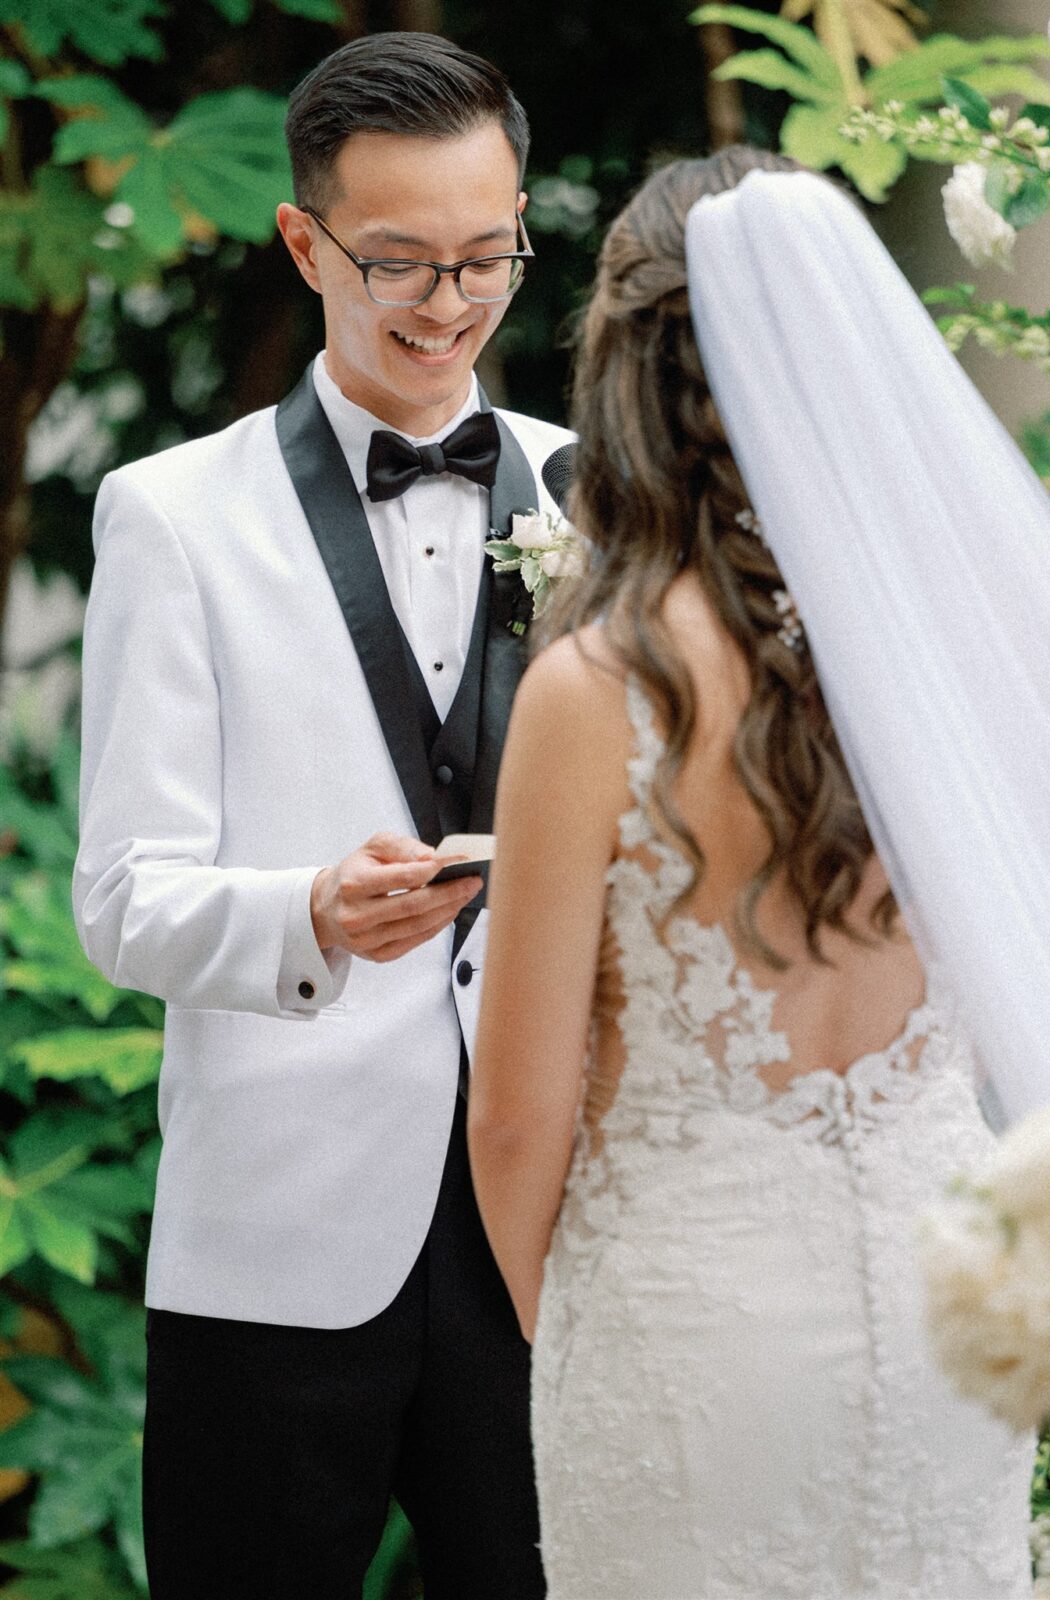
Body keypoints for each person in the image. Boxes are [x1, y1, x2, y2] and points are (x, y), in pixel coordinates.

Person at [467, 147, 1038, 1598]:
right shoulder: (959, 659)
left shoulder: (601, 689)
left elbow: (521, 1116)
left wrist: (586, 1336)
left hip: (689, 1331)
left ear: (630, 385)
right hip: (950, 1316)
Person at [73, 31, 568, 1600]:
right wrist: (306, 916)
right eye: (400, 263)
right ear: (306, 243)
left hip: (547, 1226)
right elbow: (125, 898)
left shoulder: (600, 493)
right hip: (275, 1245)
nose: (451, 303)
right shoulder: (170, 514)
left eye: (487, 256)